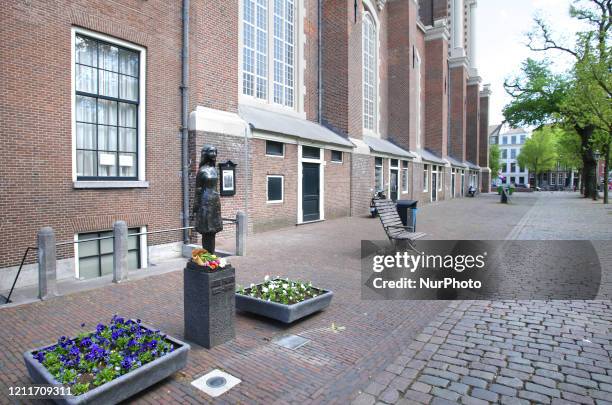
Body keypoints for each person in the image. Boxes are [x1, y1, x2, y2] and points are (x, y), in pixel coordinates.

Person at [193, 145, 223, 254]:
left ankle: (212, 255)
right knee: (206, 230)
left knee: (213, 230)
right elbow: (198, 190)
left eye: (215, 151)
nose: (214, 154)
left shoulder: (214, 169)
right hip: (205, 203)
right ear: (205, 154)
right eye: (211, 151)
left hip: (214, 202)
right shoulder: (201, 171)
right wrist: (195, 208)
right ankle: (207, 256)